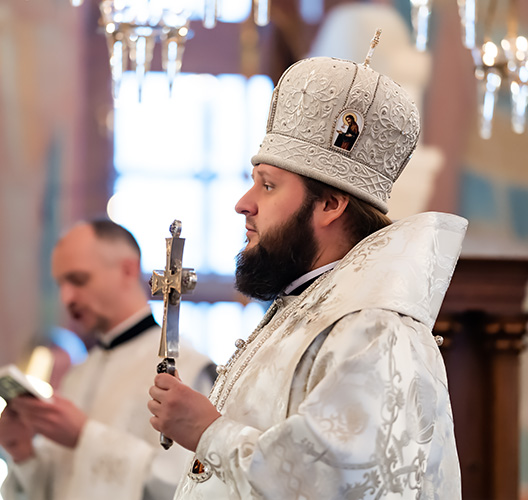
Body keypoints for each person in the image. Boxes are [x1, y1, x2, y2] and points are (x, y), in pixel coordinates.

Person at [148, 45, 466, 499]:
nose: (244, 202)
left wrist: (208, 432)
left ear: (331, 204)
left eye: (269, 184)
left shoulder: (374, 329)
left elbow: (342, 482)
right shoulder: (308, 311)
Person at [0, 218, 216, 500]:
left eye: (78, 280)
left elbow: (190, 483)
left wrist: (85, 436)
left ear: (127, 269)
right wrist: (22, 452)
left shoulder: (184, 367)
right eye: (61, 283)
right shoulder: (79, 373)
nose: (67, 297)